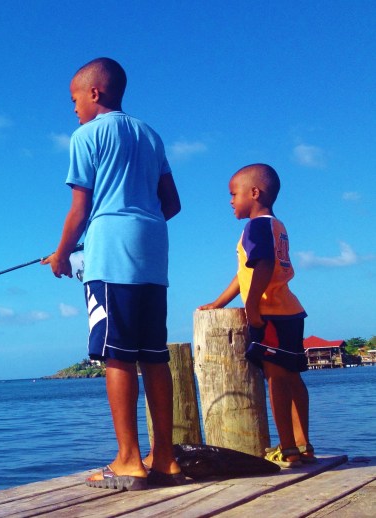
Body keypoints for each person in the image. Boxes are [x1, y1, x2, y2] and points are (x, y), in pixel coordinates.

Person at [42, 57, 183, 491]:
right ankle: (165, 458)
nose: (73, 109)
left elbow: (80, 209)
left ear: (94, 93)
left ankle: (128, 460)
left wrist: (61, 254)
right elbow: (172, 203)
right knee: (154, 355)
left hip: (111, 255)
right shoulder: (150, 134)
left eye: (74, 99)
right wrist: (136, 221)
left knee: (117, 354)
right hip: (153, 250)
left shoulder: (86, 135)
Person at [199, 163, 314, 466]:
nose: (230, 201)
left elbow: (262, 266)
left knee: (276, 379)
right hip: (290, 311)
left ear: (254, 193)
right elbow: (244, 273)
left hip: (269, 312)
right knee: (292, 377)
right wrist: (219, 302)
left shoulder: (256, 227)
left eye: (233, 194)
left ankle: (288, 449)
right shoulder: (277, 226)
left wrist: (251, 306)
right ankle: (303, 445)